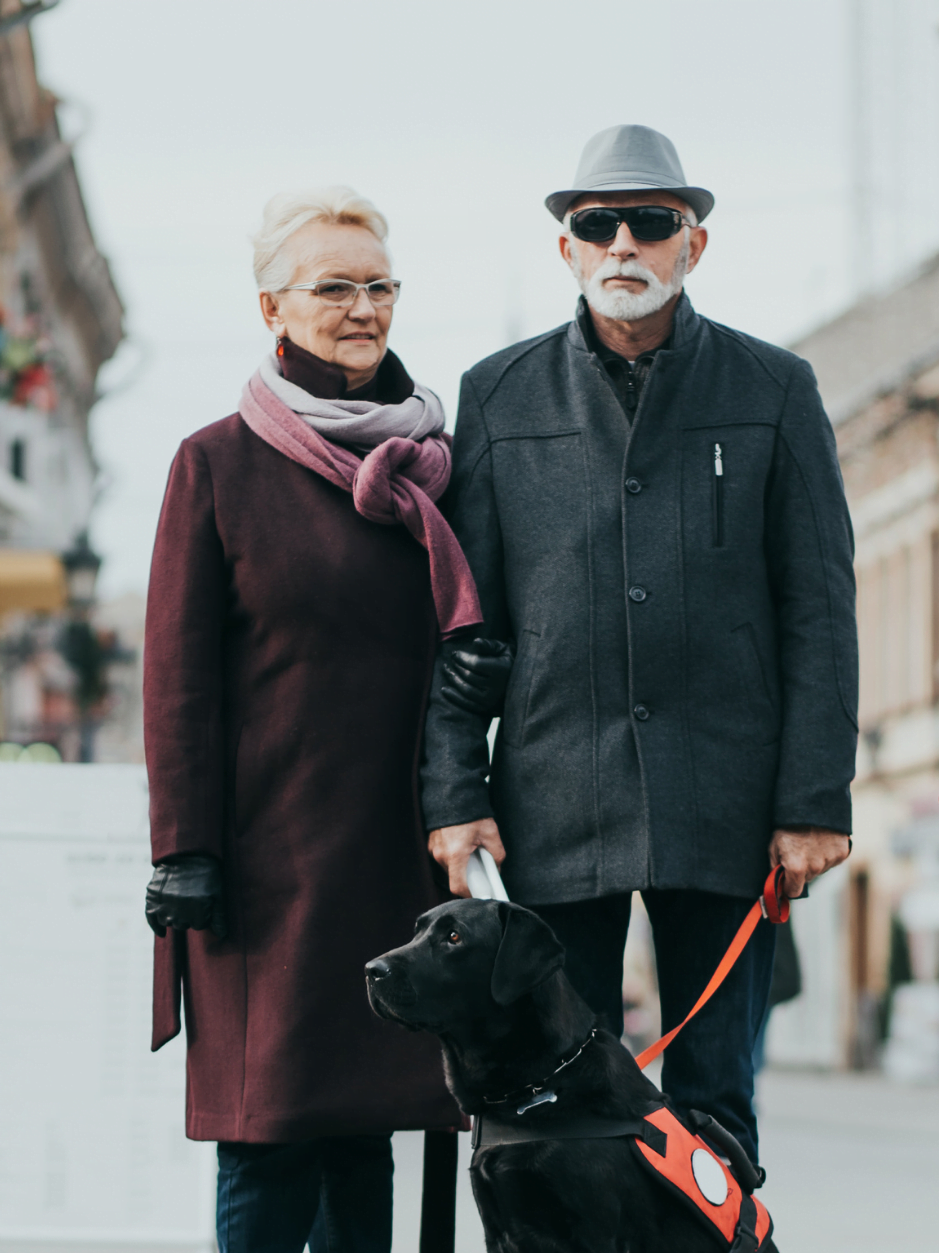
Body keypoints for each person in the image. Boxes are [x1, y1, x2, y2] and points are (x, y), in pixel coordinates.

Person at [420, 125, 858, 1166]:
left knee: (713, 1106)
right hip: (551, 805)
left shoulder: (774, 391)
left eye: (652, 222)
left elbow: (820, 607)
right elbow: (461, 616)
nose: (624, 242)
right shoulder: (499, 395)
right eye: (597, 223)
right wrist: (453, 792)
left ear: (691, 245)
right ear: (566, 248)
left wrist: (811, 800)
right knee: (556, 1105)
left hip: (730, 809)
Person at [143, 186, 493, 1253]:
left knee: (364, 1132)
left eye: (379, 285)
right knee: (269, 1135)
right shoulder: (217, 464)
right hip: (264, 873)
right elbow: (177, 680)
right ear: (271, 308)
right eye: (333, 286)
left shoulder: (433, 466)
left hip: (395, 858)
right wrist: (185, 850)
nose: (362, 307)